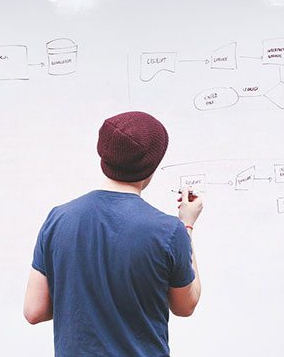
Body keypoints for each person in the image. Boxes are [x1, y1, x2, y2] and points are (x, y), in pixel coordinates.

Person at [23, 111, 203, 356]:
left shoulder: (58, 219)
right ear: (151, 166)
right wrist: (187, 226)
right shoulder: (169, 231)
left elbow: (34, 310)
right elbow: (186, 305)